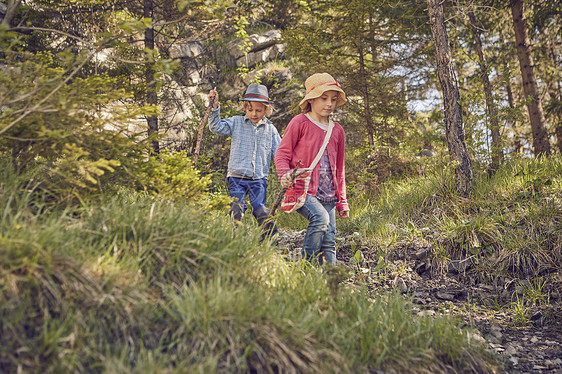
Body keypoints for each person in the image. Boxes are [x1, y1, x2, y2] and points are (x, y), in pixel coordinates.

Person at [275, 73, 350, 265]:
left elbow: (339, 169)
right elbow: (282, 153)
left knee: (330, 239)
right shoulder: (300, 122)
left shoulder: (337, 130)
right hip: (303, 189)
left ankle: (331, 280)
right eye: (324, 98)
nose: (329, 104)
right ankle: (306, 266)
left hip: (329, 193)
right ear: (311, 99)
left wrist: (342, 202)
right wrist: (285, 174)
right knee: (320, 218)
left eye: (333, 99)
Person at [208, 83, 281, 238]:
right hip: (237, 177)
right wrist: (214, 108)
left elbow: (280, 153)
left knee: (261, 210)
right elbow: (216, 127)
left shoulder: (271, 130)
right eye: (250, 110)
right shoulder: (236, 123)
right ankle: (235, 240)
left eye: (258, 110)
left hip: (258, 179)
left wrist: (288, 171)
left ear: (266, 110)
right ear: (244, 108)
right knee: (236, 209)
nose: (254, 113)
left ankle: (271, 241)